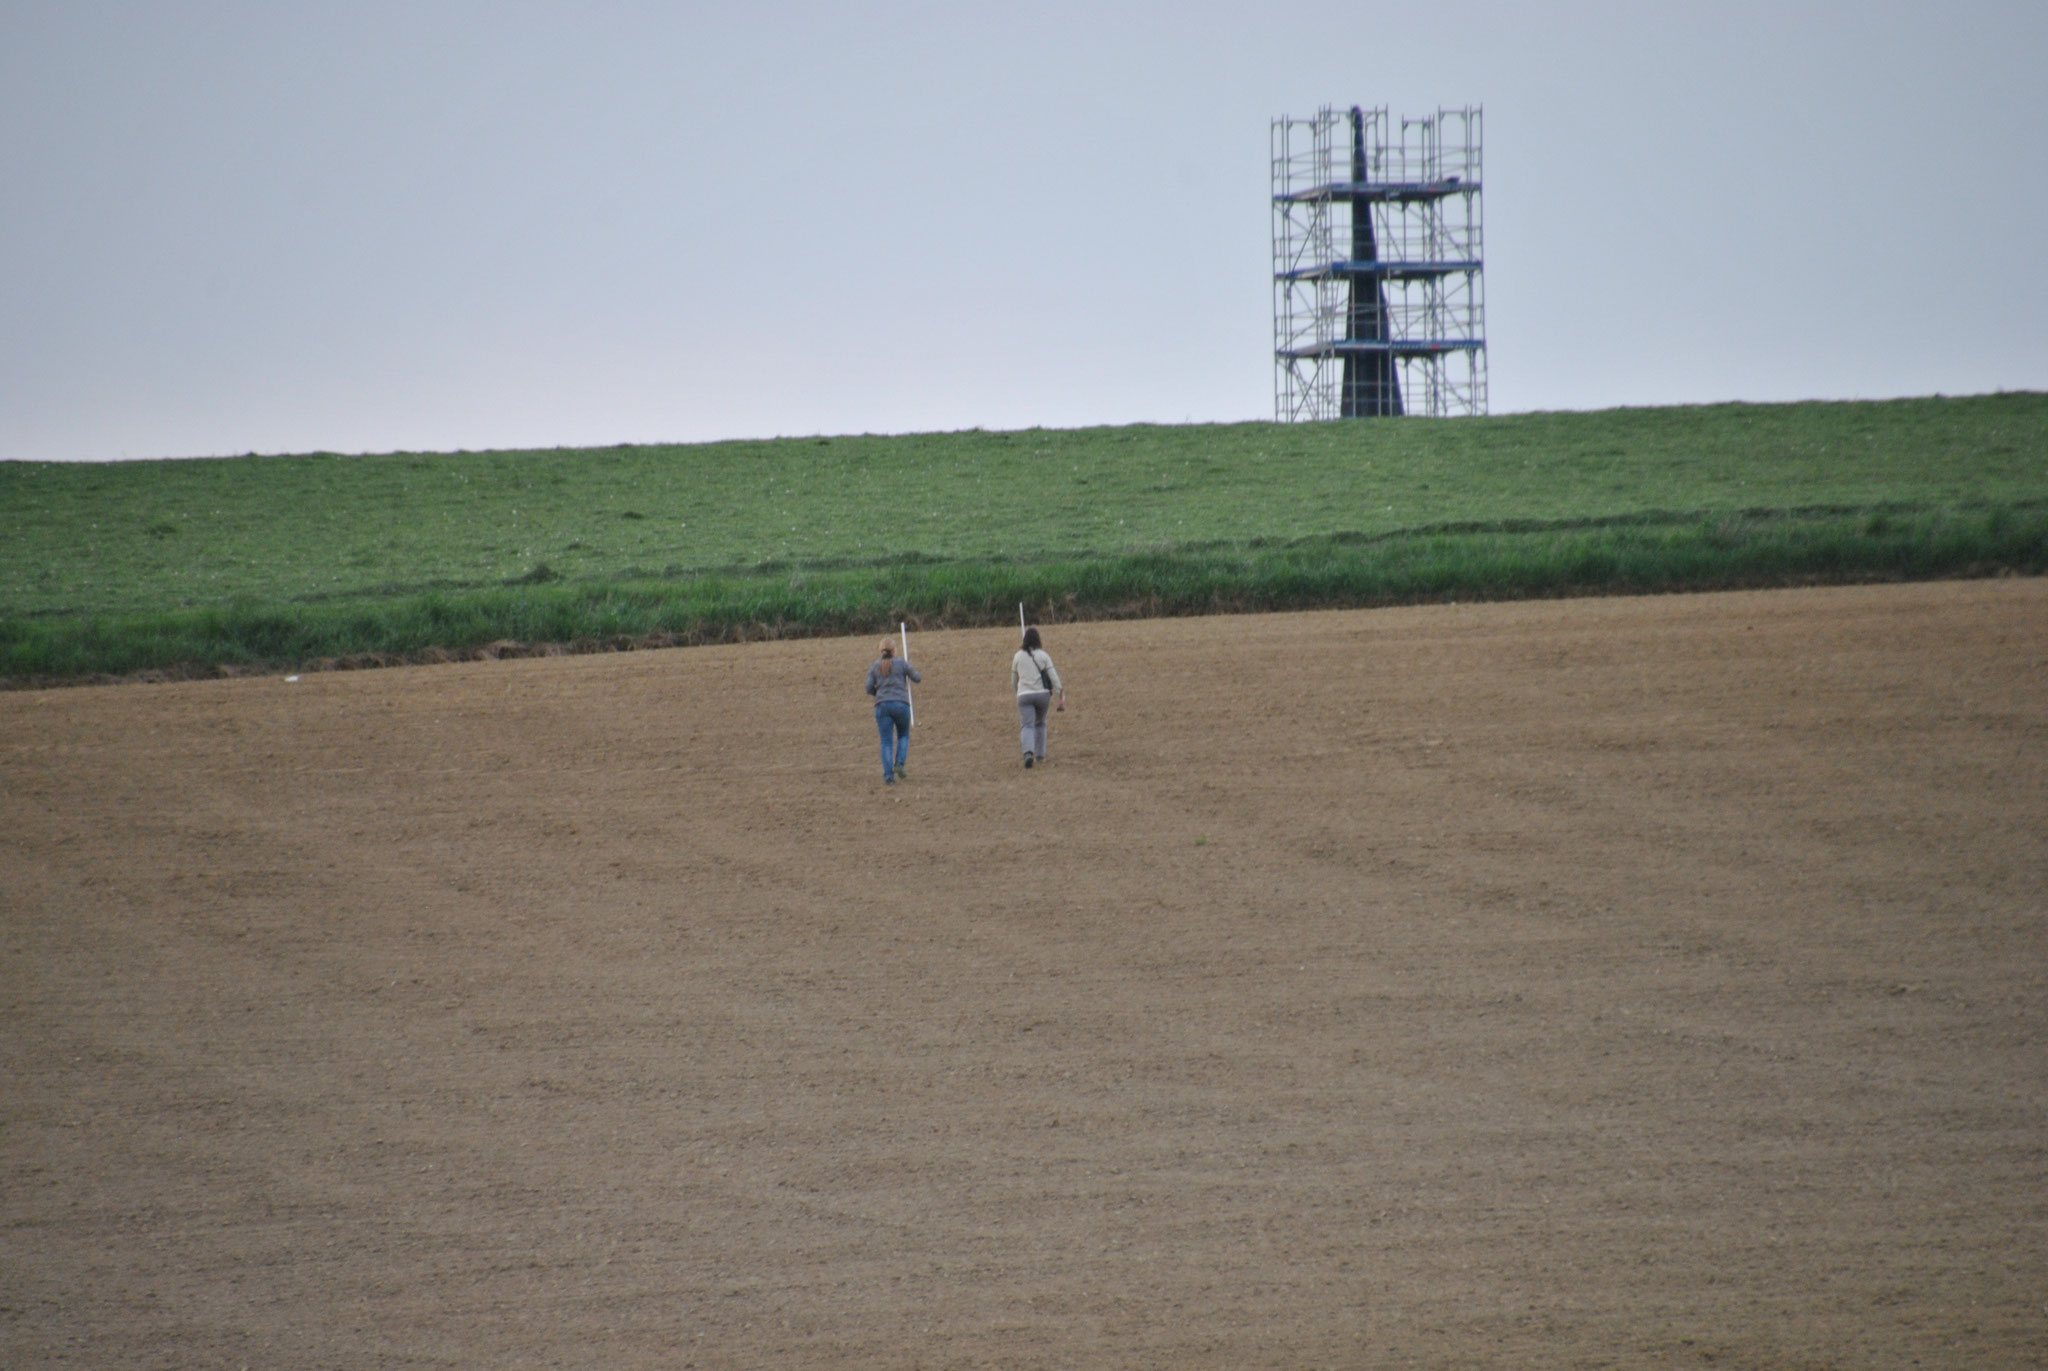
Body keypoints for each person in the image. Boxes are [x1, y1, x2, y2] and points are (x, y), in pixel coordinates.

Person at [865, 636, 921, 785]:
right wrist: (910, 668)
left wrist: (879, 695)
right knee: (904, 736)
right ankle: (900, 764)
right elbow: (917, 678)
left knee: (886, 742)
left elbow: (868, 687)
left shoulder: (875, 666)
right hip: (901, 704)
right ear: (894, 651)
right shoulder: (902, 663)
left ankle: (889, 777)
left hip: (882, 707)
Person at [1010, 626, 1064, 769]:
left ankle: (1028, 753)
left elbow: (1014, 679)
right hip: (1042, 695)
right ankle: (1040, 755)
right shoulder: (1044, 655)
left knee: (1027, 725)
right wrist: (1060, 693)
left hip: (1024, 696)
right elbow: (1053, 676)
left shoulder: (1017, 656)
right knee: (1040, 724)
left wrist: (1017, 692)